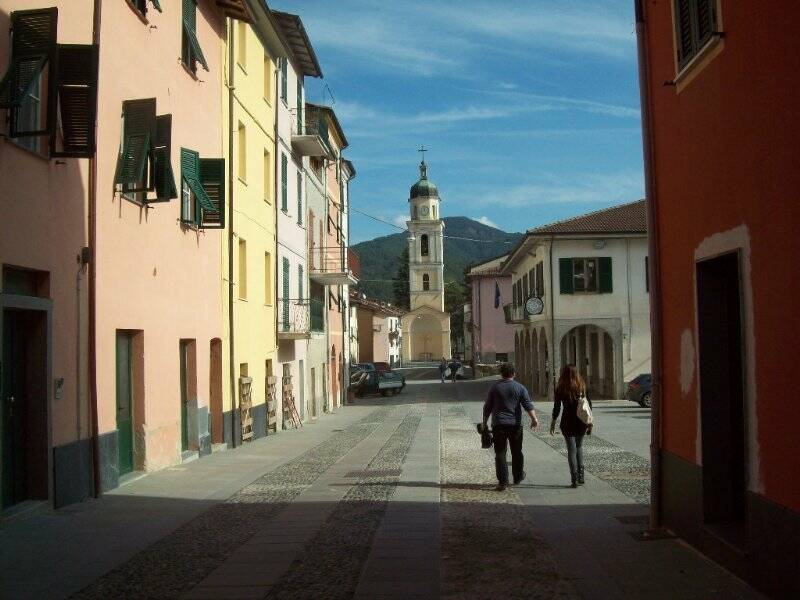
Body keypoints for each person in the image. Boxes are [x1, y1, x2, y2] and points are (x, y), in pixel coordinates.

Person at [482, 363, 538, 491]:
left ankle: (503, 482)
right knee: (517, 452)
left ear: (501, 374)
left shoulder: (494, 388)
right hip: (515, 425)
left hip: (498, 425)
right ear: (514, 374)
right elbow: (527, 405)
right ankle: (517, 476)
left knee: (500, 453)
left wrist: (485, 422)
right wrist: (534, 419)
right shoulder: (520, 388)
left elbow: (487, 407)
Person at [550, 364, 593, 488]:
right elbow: (589, 405)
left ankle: (574, 478)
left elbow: (557, 407)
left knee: (571, 450)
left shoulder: (561, 388)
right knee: (579, 447)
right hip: (581, 422)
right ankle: (581, 477)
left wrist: (553, 423)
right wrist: (589, 422)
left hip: (567, 422)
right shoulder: (582, 386)